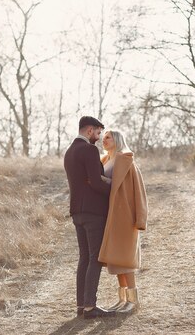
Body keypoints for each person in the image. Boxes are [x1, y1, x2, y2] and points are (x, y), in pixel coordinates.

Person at [63, 116, 116, 319]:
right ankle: (90, 307)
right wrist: (114, 189)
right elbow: (95, 182)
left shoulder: (69, 152)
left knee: (84, 258)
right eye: (97, 132)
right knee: (95, 258)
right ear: (89, 131)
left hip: (77, 211)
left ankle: (81, 306)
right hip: (93, 212)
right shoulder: (89, 150)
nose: (99, 136)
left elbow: (85, 181)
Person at [98, 129, 148, 313]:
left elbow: (139, 190)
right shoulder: (104, 160)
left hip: (125, 216)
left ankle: (133, 301)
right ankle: (122, 299)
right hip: (110, 215)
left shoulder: (126, 161)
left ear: (117, 140)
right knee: (116, 259)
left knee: (125, 259)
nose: (104, 139)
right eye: (103, 137)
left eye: (108, 137)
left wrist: (140, 218)